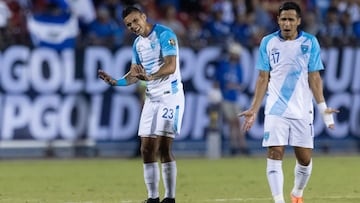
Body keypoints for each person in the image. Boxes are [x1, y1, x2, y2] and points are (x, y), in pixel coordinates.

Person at [239, 2, 339, 203]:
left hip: (302, 110)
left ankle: (297, 193)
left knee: (304, 159)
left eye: (291, 19)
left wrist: (323, 109)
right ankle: (279, 200)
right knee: (275, 152)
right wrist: (254, 108)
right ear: (278, 20)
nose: (286, 23)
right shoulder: (268, 42)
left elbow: (315, 78)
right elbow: (262, 78)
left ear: (298, 21)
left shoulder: (310, 43)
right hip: (276, 109)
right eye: (283, 19)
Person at [98, 6, 184, 203]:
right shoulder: (137, 45)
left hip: (170, 96)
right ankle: (153, 198)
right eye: (129, 25)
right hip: (151, 98)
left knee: (163, 147)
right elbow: (135, 75)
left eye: (135, 21)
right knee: (146, 149)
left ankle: (169, 198)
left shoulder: (164, 34)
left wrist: (150, 76)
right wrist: (116, 82)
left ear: (144, 17)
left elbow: (171, 66)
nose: (133, 26)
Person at [213, 42, 249, 155]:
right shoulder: (224, 65)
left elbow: (240, 83)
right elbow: (217, 82)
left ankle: (241, 145)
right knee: (232, 123)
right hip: (226, 98)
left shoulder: (238, 67)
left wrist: (232, 86)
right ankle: (235, 146)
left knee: (238, 123)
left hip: (235, 98)